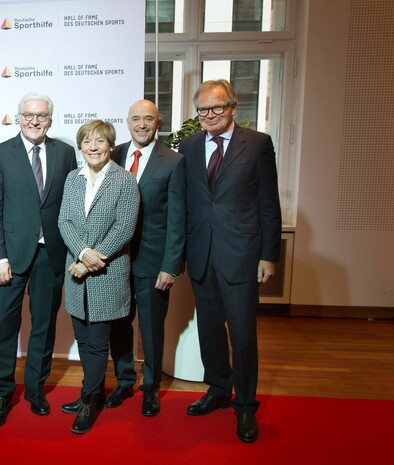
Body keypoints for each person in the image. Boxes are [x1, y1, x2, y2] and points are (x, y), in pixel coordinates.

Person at [61, 100, 186, 417]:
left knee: (150, 328)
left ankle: (150, 390)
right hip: (108, 265)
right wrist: (84, 253)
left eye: (148, 119)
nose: (142, 124)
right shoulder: (109, 158)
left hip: (146, 259)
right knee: (117, 330)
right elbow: (67, 220)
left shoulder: (171, 162)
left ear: (157, 122)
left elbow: (174, 219)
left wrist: (170, 264)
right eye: (136, 118)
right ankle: (123, 381)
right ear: (128, 123)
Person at [178, 79, 282, 443]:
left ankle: (246, 406)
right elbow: (187, 202)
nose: (209, 115)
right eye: (203, 109)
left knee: (242, 333)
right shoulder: (189, 146)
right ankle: (219, 389)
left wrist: (269, 254)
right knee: (209, 329)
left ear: (233, 107)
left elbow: (269, 203)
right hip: (202, 253)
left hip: (242, 254)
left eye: (217, 108)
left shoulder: (257, 144)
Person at [0, 92, 78, 427]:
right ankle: (3, 393)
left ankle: (36, 389)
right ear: (18, 117)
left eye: (41, 116)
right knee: (5, 327)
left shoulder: (65, 153)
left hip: (50, 255)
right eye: (28, 115)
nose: (34, 121)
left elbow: (71, 206)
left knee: (44, 326)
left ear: (50, 119)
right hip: (10, 257)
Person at [57, 119, 139, 434]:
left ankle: (91, 400)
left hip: (108, 274)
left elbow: (124, 227)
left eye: (100, 142)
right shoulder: (72, 179)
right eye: (87, 142)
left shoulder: (124, 180)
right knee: (82, 338)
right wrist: (82, 254)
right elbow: (64, 221)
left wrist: (94, 258)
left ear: (109, 145)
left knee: (96, 342)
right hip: (76, 274)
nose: (93, 147)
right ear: (81, 147)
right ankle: (90, 393)